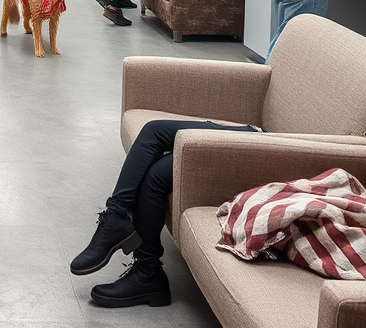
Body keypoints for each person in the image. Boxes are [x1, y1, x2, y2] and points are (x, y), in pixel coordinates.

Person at [70, 118, 263, 308]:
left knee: (153, 131)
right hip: (249, 133)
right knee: (154, 172)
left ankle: (116, 222)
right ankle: (147, 271)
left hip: (263, 139)